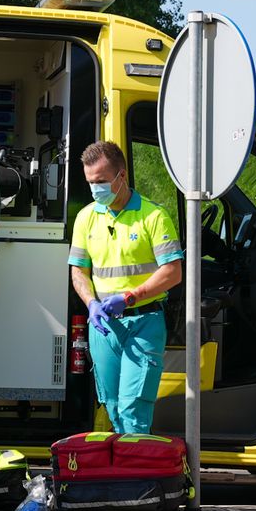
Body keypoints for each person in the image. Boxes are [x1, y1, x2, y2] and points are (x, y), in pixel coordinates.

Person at [68, 141, 183, 435]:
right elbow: (78, 271)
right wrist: (91, 303)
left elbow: (172, 272)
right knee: (113, 407)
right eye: (91, 183)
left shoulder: (154, 216)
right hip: (104, 326)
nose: (96, 189)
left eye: (102, 182)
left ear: (122, 176)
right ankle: (126, 474)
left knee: (134, 408)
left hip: (143, 322)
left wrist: (130, 297)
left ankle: (137, 477)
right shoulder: (86, 217)